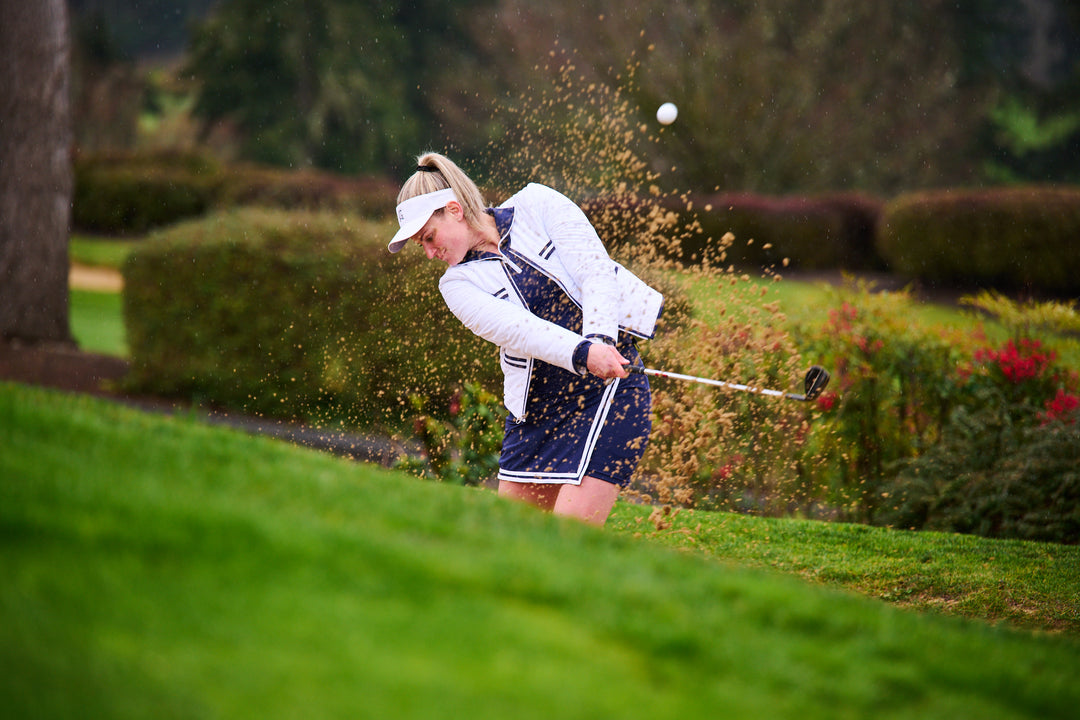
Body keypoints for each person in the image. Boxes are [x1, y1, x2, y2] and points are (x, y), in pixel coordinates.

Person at [388, 152, 664, 526]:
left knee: (568, 544)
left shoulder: (537, 202)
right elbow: (522, 331)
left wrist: (600, 340)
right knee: (511, 545)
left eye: (429, 237)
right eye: (421, 244)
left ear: (454, 209)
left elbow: (595, 271)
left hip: (609, 391)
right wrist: (586, 352)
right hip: (535, 415)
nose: (429, 252)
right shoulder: (456, 285)